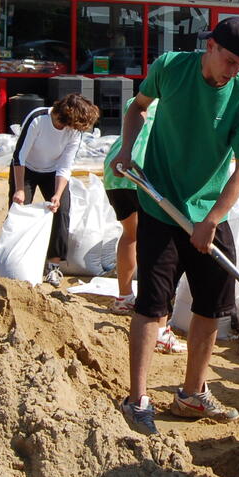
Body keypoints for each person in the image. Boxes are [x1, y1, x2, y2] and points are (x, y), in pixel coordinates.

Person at [111, 16, 239, 435]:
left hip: (210, 214)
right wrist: (128, 148)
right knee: (152, 305)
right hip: (161, 207)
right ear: (211, 46)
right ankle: (137, 399)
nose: (233, 70)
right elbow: (137, 108)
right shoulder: (171, 67)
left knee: (212, 306)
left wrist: (212, 220)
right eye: (229, 60)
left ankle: (192, 393)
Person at [101, 98, 187, 355]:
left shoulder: (139, 100)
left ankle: (124, 297)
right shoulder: (179, 104)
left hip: (116, 168)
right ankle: (159, 325)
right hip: (145, 170)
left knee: (131, 235)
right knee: (159, 248)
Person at [9, 92, 100, 285]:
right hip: (26, 169)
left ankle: (54, 266)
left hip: (53, 171)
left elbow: (66, 165)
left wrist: (57, 195)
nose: (75, 130)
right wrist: (19, 189)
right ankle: (14, 262)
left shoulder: (75, 131)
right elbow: (20, 155)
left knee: (62, 211)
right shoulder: (38, 118)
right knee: (19, 211)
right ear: (65, 116)